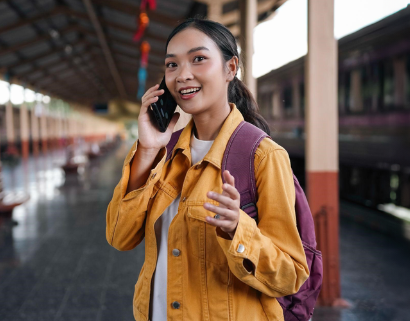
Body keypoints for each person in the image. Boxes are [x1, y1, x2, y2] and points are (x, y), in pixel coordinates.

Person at [105, 18, 309, 321]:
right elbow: (120, 238)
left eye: (198, 59)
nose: (182, 75)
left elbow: (290, 275)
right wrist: (147, 149)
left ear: (230, 68)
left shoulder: (263, 156)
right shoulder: (164, 152)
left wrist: (237, 230)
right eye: (171, 65)